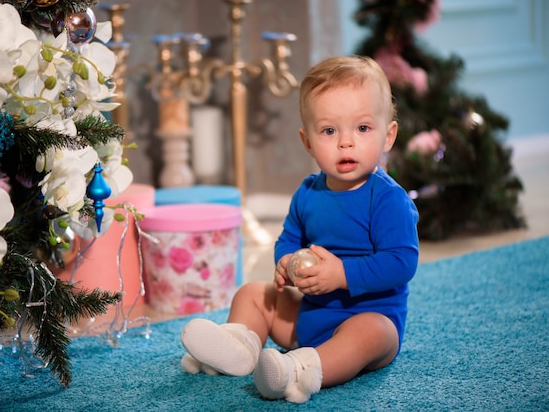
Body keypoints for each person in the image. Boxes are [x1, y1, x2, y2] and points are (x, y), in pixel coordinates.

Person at [179, 56, 419, 403]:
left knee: (370, 334)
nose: (346, 142)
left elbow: (402, 262)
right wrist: (287, 262)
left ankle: (298, 371)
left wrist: (342, 274)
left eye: (363, 128)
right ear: (308, 142)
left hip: (368, 318)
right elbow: (289, 238)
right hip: (310, 315)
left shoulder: (387, 199)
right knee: (253, 294)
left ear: (388, 136)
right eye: (329, 131)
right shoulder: (308, 193)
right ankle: (238, 347)